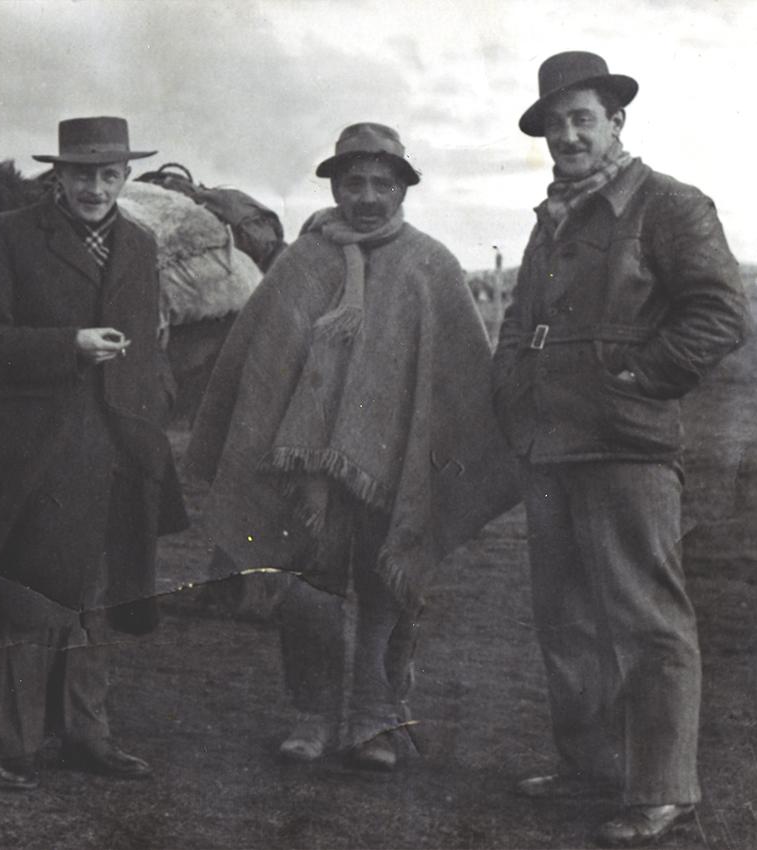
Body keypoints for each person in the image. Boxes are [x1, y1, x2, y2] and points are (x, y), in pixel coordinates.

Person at [187, 123, 518, 771]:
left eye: (382, 183)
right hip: (300, 473)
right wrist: (295, 454)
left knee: (385, 582)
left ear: (402, 189)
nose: (367, 195)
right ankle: (310, 713)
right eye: (353, 182)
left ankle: (373, 715)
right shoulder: (301, 263)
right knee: (309, 588)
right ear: (335, 186)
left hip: (396, 467)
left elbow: (459, 376)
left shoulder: (429, 266)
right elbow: (259, 367)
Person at [492, 51, 750, 847]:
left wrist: (638, 374)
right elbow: (521, 322)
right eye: (555, 124)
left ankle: (661, 788)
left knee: (644, 618)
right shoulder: (553, 214)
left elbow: (717, 314)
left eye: (582, 120)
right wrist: (511, 391)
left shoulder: (668, 204)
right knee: (563, 618)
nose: (567, 136)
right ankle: (589, 767)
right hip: (549, 445)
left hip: (625, 442)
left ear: (615, 124)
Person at [0, 116, 187, 792]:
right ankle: (17, 744)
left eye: (108, 173)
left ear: (126, 177)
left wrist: (149, 411)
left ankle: (89, 736)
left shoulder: (139, 245)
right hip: (39, 448)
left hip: (117, 445)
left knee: (93, 596)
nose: (95, 186)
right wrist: (69, 346)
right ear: (56, 175)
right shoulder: (5, 237)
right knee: (29, 594)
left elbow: (146, 346)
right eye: (81, 172)